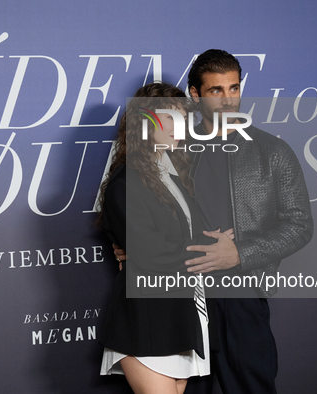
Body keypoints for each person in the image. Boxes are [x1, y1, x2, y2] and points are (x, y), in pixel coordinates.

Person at [115, 50, 314, 394]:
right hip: (183, 294)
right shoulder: (174, 146)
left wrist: (239, 253)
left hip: (241, 294)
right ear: (195, 94)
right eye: (216, 91)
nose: (227, 99)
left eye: (233, 88)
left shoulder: (272, 152)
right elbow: (140, 199)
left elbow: (299, 225)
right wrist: (127, 242)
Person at [97, 82, 217, 394]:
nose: (180, 127)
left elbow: (200, 234)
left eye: (182, 118)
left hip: (181, 316)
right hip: (146, 319)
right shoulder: (125, 183)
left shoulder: (174, 176)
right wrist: (206, 250)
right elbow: (149, 252)